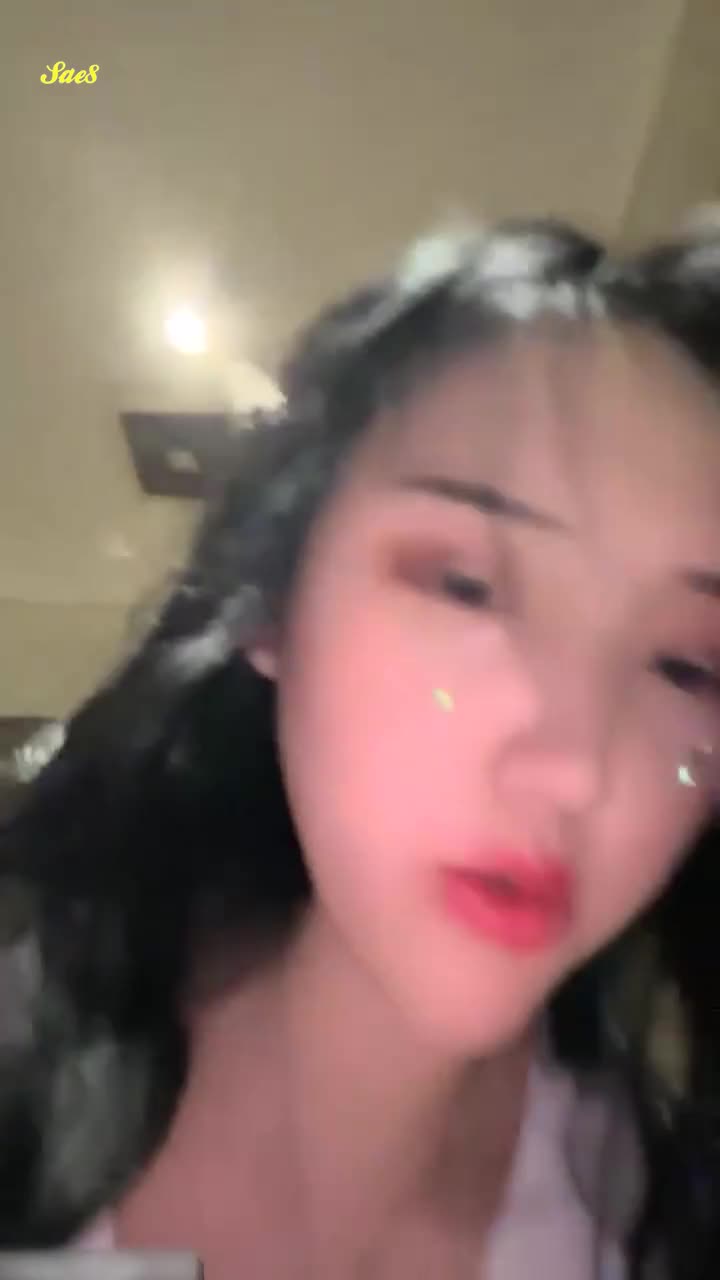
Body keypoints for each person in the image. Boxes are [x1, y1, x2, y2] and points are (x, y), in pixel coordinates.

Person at [2, 216, 720, 1280]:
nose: (575, 770)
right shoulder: (29, 1054)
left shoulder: (645, 1217)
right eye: (466, 586)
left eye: (688, 664)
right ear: (273, 603)